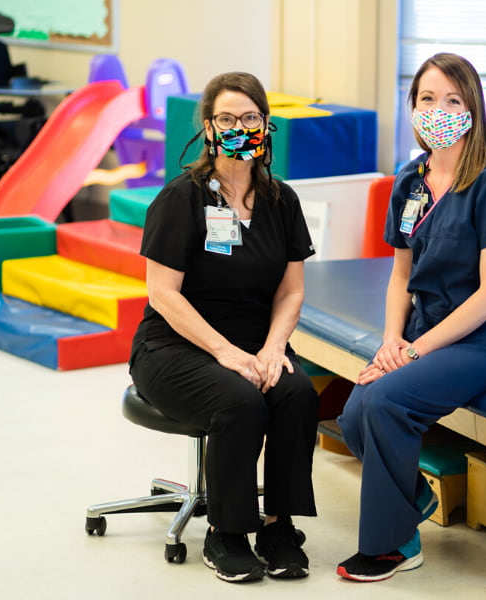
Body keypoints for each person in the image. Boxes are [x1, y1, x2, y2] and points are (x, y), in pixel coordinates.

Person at [336, 53, 486, 582]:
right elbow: (401, 276)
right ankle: (413, 500)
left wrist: (413, 354)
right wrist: (390, 342)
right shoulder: (411, 181)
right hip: (425, 333)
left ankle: (391, 545)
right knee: (353, 417)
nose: (439, 109)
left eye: (452, 99)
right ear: (413, 107)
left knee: (383, 399)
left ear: (472, 108)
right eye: (427, 98)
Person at [128, 71, 319, 583]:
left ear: (266, 124)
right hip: (174, 344)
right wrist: (225, 352)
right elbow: (162, 294)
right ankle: (226, 533)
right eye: (228, 118)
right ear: (209, 128)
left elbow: (290, 290)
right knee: (240, 399)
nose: (240, 127)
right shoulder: (181, 199)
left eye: (250, 117)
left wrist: (276, 347)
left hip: (257, 341)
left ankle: (278, 527)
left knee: (297, 392)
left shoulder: (282, 201)